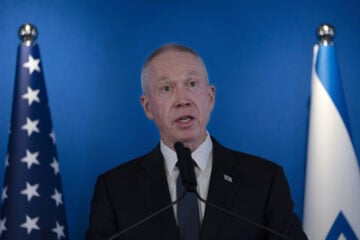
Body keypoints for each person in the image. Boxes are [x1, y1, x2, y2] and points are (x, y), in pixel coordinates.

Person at [85, 44, 308, 240]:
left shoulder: (265, 181)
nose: (182, 100)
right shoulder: (115, 189)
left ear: (210, 97)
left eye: (192, 84)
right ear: (147, 107)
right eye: (166, 88)